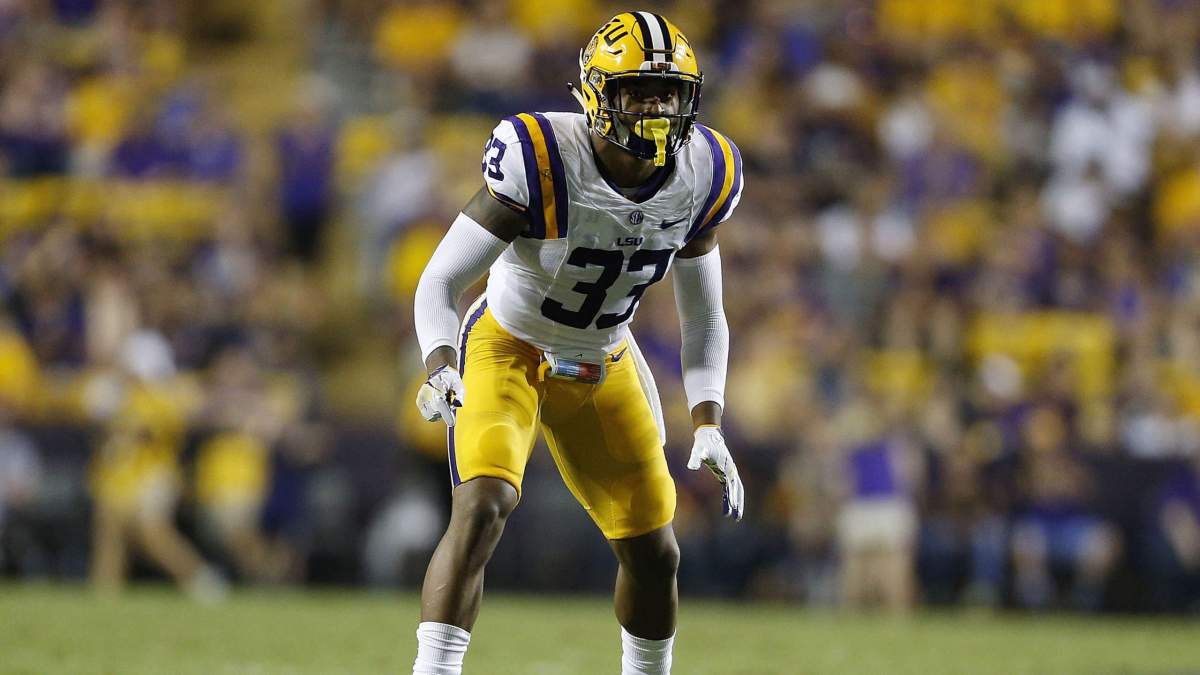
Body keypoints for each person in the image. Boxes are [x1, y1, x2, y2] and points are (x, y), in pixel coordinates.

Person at [410, 12, 745, 675]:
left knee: (657, 552)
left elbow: (705, 313)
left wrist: (708, 418)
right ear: (597, 95)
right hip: (509, 345)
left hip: (605, 358)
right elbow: (441, 278)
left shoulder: (705, 169)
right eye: (638, 92)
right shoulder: (542, 156)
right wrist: (441, 360)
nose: (656, 107)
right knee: (484, 503)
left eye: (667, 92)